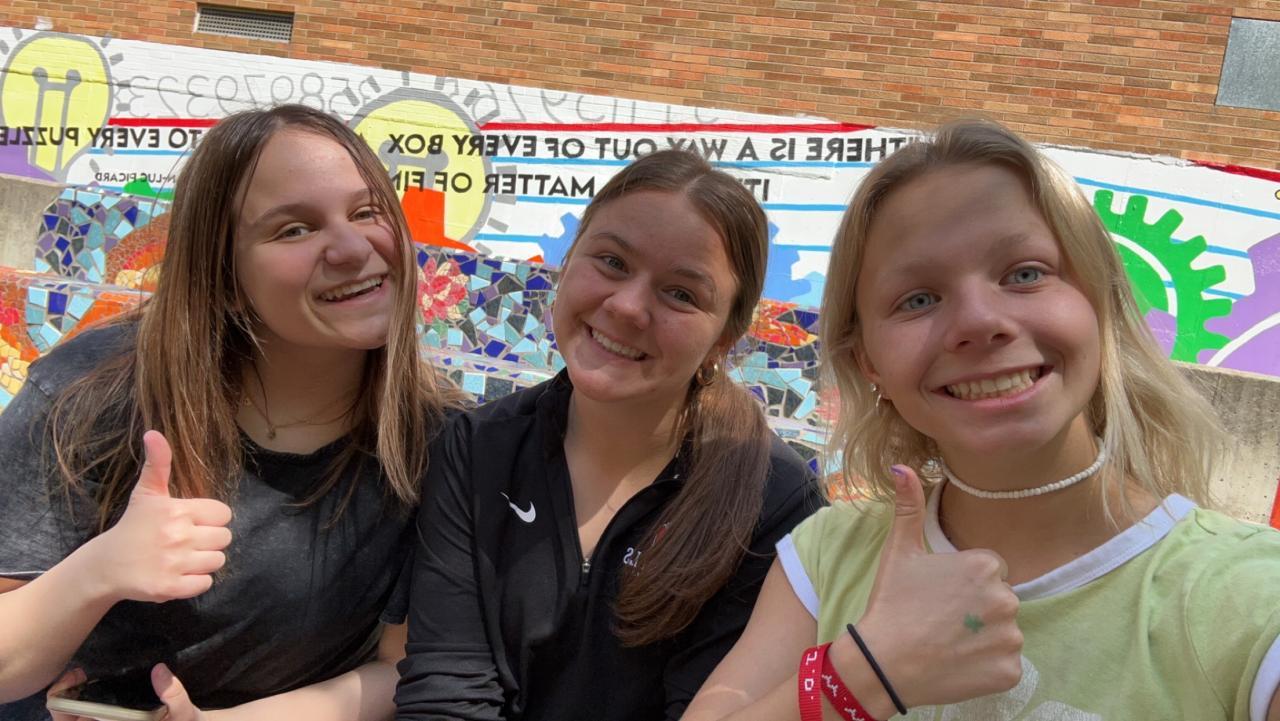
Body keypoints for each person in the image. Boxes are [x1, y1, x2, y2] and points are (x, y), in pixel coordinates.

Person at [683, 118, 1280, 721]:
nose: (978, 321)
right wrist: (865, 675)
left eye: (1025, 273)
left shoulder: (1252, 599)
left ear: (1101, 301)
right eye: (918, 299)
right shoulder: (826, 556)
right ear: (869, 362)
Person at [0, 104, 458, 721]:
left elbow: (406, 666)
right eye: (294, 229)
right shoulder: (94, 389)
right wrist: (99, 570)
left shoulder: (442, 442)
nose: (353, 248)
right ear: (223, 277)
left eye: (366, 212)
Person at [393, 149, 825, 721]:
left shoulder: (775, 503)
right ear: (568, 262)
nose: (627, 307)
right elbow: (447, 691)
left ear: (724, 338)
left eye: (681, 294)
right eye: (612, 262)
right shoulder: (475, 449)